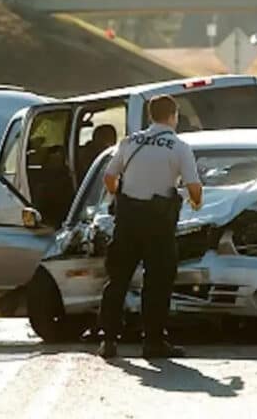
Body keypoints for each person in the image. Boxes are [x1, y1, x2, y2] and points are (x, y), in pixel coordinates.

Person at [97, 94, 203, 358]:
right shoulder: (179, 147)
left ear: (150, 115)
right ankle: (153, 342)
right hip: (158, 222)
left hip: (128, 220)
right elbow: (194, 187)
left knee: (117, 280)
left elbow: (109, 177)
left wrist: (119, 195)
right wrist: (196, 203)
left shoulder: (130, 142)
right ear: (173, 116)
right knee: (157, 282)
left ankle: (108, 340)